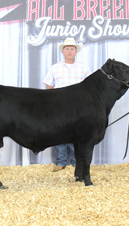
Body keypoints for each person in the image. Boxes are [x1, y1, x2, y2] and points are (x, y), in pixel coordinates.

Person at [43, 37, 91, 172]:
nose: (69, 51)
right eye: (67, 49)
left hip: (79, 106)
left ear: (76, 51)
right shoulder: (55, 68)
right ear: (63, 51)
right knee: (59, 133)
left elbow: (90, 87)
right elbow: (49, 87)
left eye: (72, 48)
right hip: (59, 105)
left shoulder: (84, 68)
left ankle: (76, 161)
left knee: (77, 133)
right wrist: (49, 103)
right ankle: (61, 161)